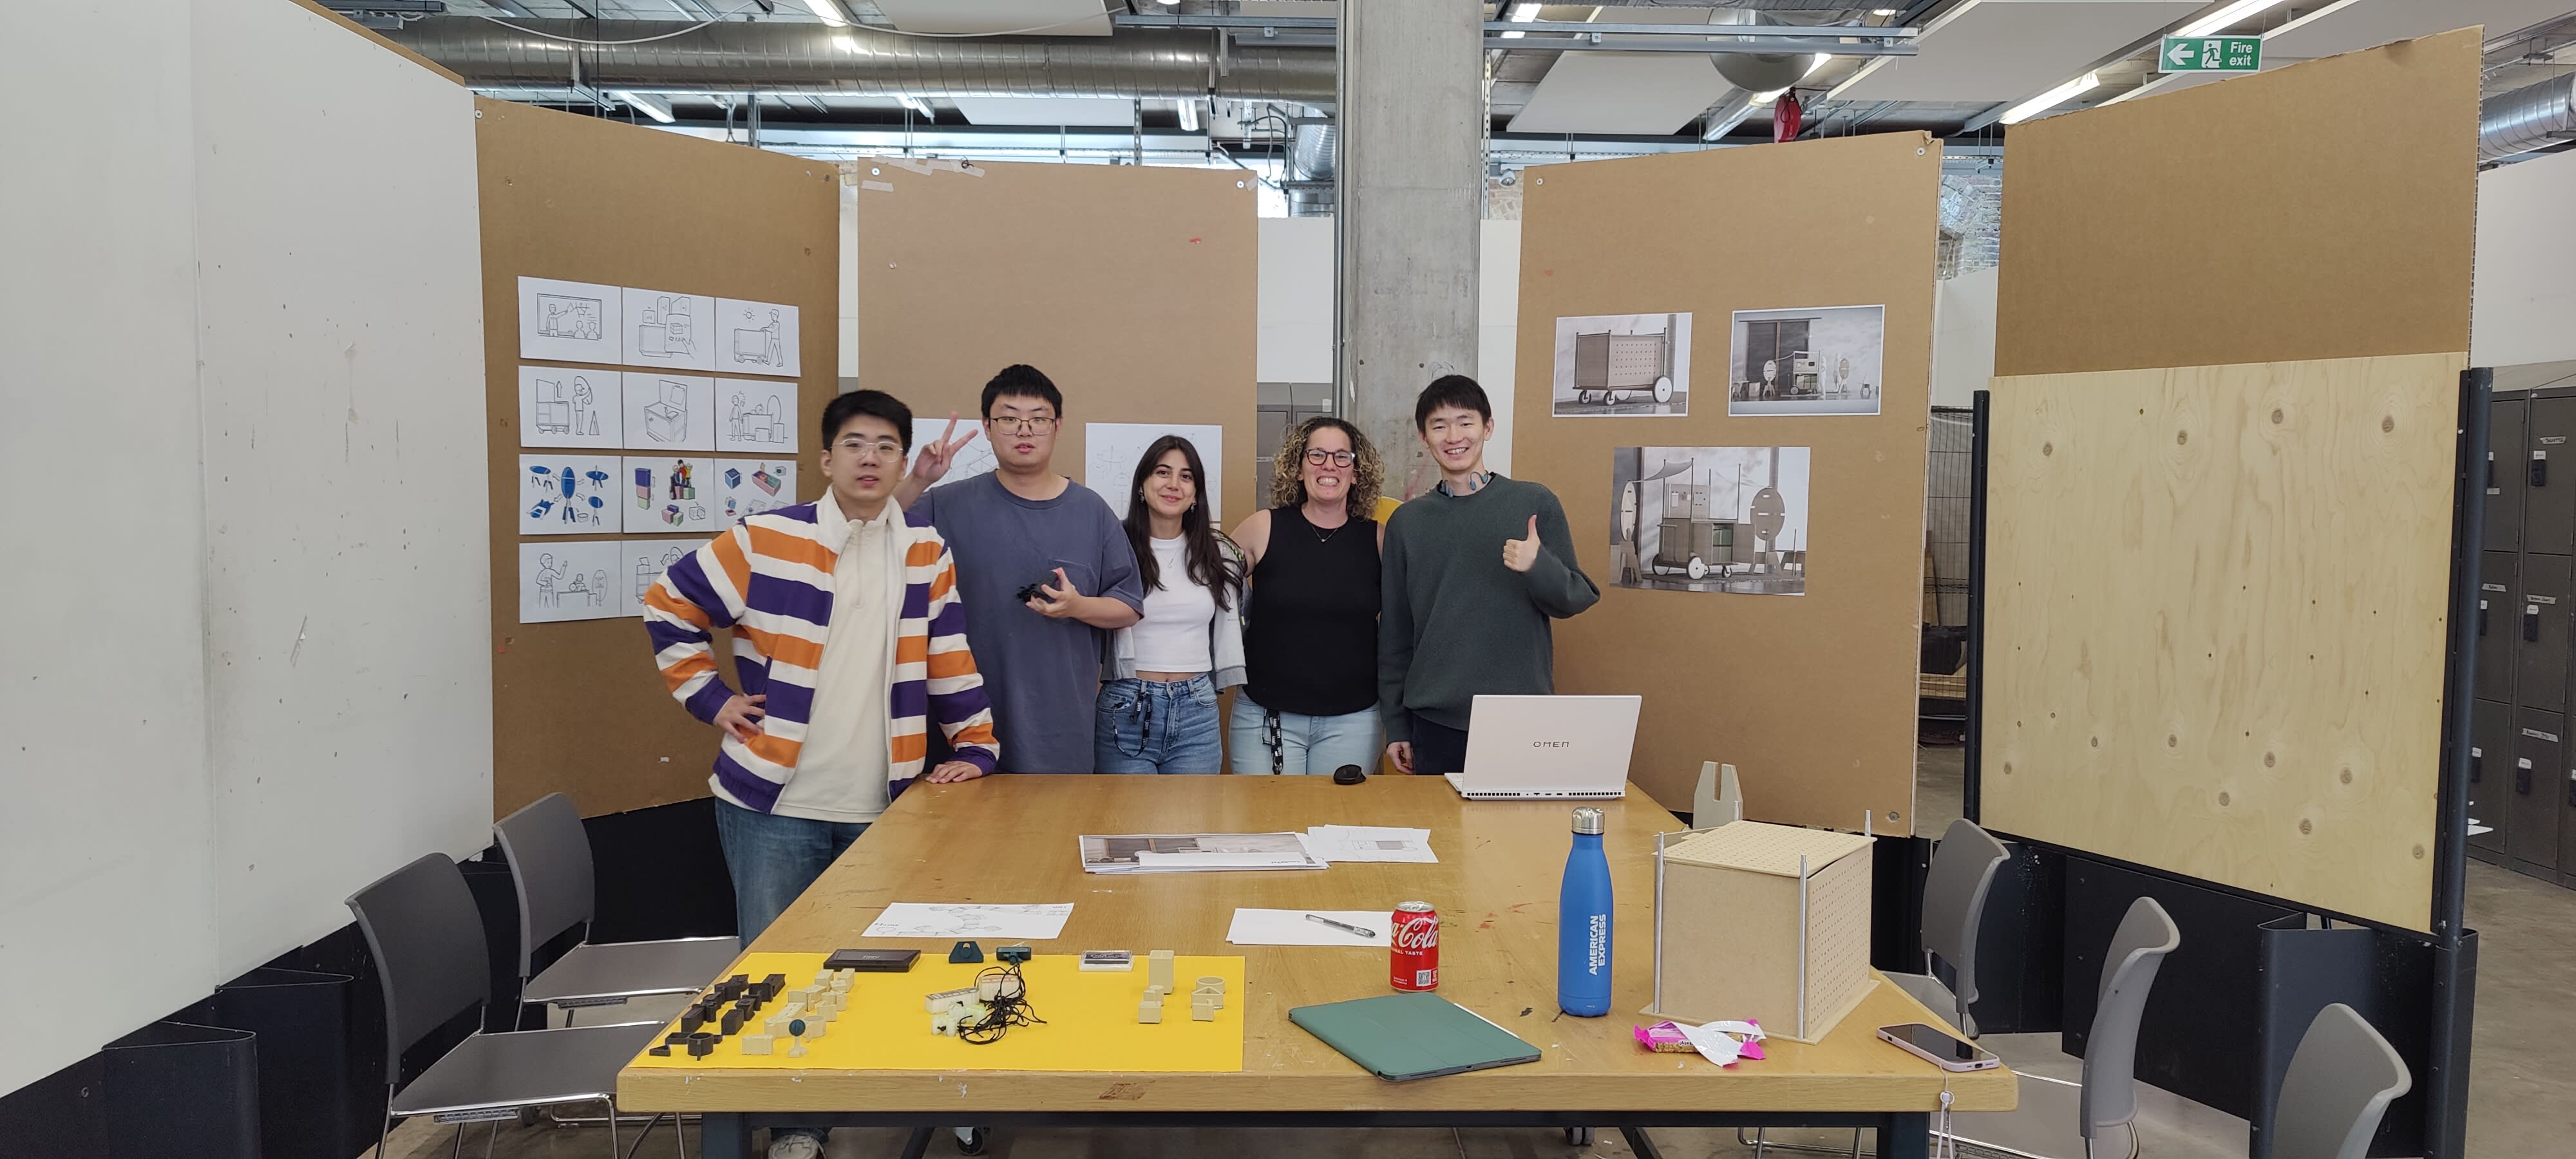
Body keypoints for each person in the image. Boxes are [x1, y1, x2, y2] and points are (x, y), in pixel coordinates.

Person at [642, 389, 998, 1159]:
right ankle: (798, 1126)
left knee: (900, 965)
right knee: (777, 971)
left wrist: (973, 745)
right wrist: (713, 701)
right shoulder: (766, 539)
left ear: (903, 462)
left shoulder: (924, 551)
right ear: (827, 458)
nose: (870, 458)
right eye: (855, 444)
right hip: (773, 804)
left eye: (885, 447)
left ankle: (926, 1095)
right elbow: (668, 603)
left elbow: (949, 656)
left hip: (885, 805)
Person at [897, 364, 1144, 772]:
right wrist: (917, 481)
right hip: (963, 722)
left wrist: (1076, 607)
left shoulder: (1091, 511)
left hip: (1060, 726)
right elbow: (866, 529)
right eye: (1009, 418)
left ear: (1057, 425)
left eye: (1038, 419)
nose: (1024, 430)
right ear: (988, 427)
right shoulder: (946, 504)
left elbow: (1129, 606)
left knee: (1056, 832)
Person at [1379, 375, 1601, 777]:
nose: (1454, 436)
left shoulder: (1534, 502)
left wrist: (1539, 566)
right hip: (1434, 720)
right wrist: (1396, 724)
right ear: (1423, 437)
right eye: (1439, 425)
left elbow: (1575, 598)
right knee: (1441, 838)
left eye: (1466, 422)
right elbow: (1395, 633)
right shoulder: (1406, 523)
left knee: (1516, 839)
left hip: (1520, 716)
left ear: (1488, 427)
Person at [1227, 417, 1387, 777]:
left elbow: (1408, 620)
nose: (1329, 465)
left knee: (1339, 829)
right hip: (1266, 716)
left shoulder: (1379, 540)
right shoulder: (1263, 527)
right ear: (1298, 469)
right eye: (1316, 455)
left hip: (1354, 720)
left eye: (1342, 457)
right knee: (1267, 830)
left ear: (1357, 473)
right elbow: (1207, 585)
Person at [1091, 436, 1245, 774]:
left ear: (1195, 494)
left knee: (1192, 825)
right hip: (1126, 701)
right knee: (1126, 825)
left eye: (1186, 476)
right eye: (1163, 472)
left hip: (1197, 707)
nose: (1174, 484)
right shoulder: (1113, 546)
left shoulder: (1218, 553)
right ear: (1142, 486)